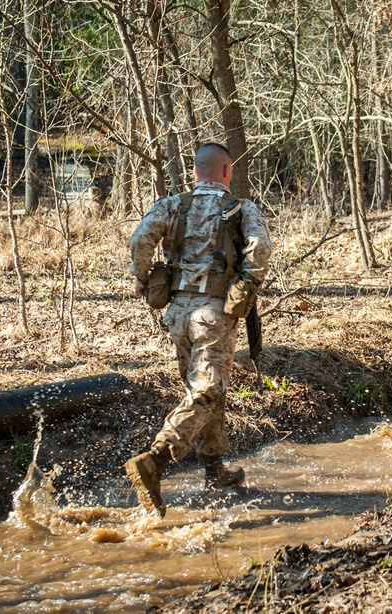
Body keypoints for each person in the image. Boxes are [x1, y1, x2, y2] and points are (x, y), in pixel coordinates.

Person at [125, 142, 273, 517]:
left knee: (206, 390)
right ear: (227, 172)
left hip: (176, 314)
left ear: (195, 172)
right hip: (213, 314)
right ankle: (156, 458)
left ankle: (214, 470)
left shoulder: (173, 204)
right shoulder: (242, 208)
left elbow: (141, 238)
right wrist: (244, 289)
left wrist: (141, 278)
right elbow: (260, 251)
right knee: (207, 392)